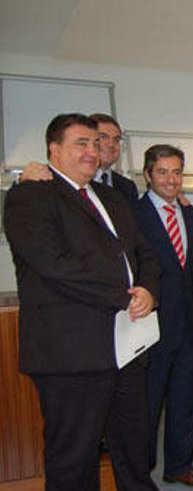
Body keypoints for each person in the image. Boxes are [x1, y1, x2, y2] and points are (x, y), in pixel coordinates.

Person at [4, 113, 160, 490]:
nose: (93, 151)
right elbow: (55, 266)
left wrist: (149, 290)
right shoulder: (29, 196)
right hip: (70, 354)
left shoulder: (112, 197)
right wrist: (123, 296)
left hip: (125, 347)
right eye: (81, 143)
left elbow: (145, 253)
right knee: (74, 457)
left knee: (134, 447)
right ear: (53, 150)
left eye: (97, 143)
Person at [132, 144, 193, 485]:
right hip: (149, 325)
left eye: (176, 172)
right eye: (162, 172)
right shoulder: (131, 215)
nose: (170, 179)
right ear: (148, 175)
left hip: (188, 326)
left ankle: (180, 467)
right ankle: (140, 471)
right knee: (145, 407)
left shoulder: (191, 215)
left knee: (184, 402)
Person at [19, 113, 138, 203]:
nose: (111, 144)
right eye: (102, 137)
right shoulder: (45, 177)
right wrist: (22, 181)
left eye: (116, 139)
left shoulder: (127, 187)